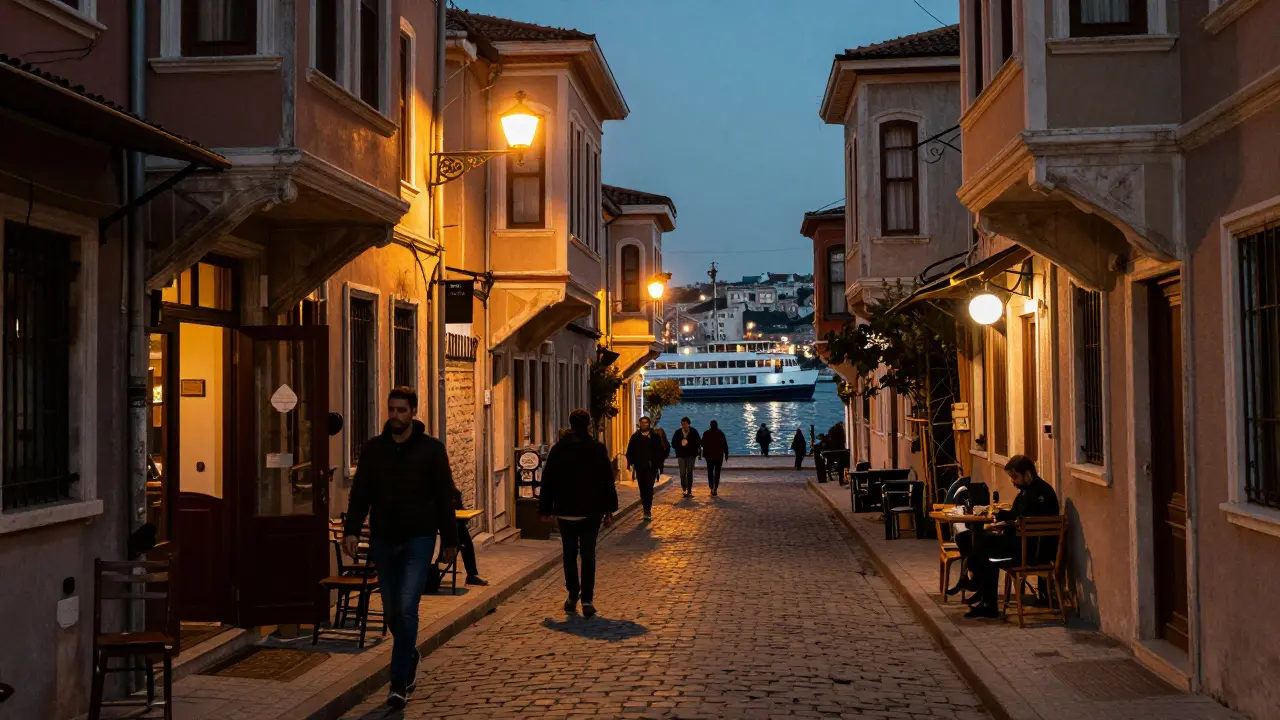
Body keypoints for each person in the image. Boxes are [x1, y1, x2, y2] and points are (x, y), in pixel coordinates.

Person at [343, 387, 458, 709]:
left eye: (401, 411)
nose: (395, 416)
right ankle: (409, 651)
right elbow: (360, 493)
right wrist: (352, 531)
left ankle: (397, 682)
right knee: (393, 610)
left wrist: (451, 540)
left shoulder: (431, 450)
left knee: (407, 607)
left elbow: (444, 496)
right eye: (391, 410)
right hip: (383, 537)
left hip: (419, 538)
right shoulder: (374, 450)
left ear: (413, 413)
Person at [539, 408, 618, 618]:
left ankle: (573, 594)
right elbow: (606, 480)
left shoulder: (559, 449)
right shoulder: (597, 448)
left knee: (569, 553)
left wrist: (545, 509)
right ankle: (587, 599)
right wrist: (609, 508)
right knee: (588, 554)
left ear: (571, 424)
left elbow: (549, 480)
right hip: (591, 510)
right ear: (589, 425)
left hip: (565, 509)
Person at [961, 455, 1060, 619]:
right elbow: (1016, 515)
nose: (1013, 482)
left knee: (985, 542)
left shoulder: (1040, 493)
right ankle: (986, 601)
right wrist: (999, 515)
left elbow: (1025, 521)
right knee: (984, 549)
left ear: (1027, 473)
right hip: (1023, 545)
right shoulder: (1027, 492)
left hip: (1032, 551)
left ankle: (977, 585)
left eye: (1015, 477)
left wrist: (1006, 525)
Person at [425, 482, 488, 594]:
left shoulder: (452, 494)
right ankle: (471, 573)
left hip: (441, 537)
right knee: (461, 531)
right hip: (433, 538)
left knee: (461, 531)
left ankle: (471, 573)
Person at [625, 416, 667, 520]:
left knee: (649, 487)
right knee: (642, 488)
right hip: (640, 467)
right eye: (642, 423)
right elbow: (630, 450)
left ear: (649, 424)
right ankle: (645, 506)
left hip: (651, 468)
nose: (644, 424)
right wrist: (632, 462)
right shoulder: (635, 437)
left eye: (646, 423)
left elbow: (660, 451)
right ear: (640, 424)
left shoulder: (654, 437)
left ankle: (647, 509)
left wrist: (656, 463)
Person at [672, 417, 702, 497]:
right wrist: (680, 444)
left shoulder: (694, 431)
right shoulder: (678, 432)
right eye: (682, 424)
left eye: (685, 424)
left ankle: (689, 490)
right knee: (682, 473)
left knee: (689, 472)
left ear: (689, 424)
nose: (684, 426)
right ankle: (684, 489)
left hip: (691, 455)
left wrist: (688, 444)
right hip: (681, 455)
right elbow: (673, 443)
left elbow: (698, 442)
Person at [701, 420, 729, 496]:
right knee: (717, 473)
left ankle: (711, 487)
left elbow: (702, 444)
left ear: (710, 425)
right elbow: (725, 445)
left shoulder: (706, 433)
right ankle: (715, 488)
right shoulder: (721, 433)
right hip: (719, 457)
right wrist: (726, 454)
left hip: (709, 457)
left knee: (710, 472)